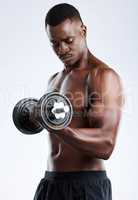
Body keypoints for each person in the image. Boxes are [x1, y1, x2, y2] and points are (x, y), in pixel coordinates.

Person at [34, 3, 124, 200]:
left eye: (68, 40)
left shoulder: (101, 76)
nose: (62, 49)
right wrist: (33, 117)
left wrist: (58, 127)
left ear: (83, 31)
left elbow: (106, 144)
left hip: (85, 186)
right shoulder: (54, 79)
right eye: (55, 43)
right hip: (50, 183)